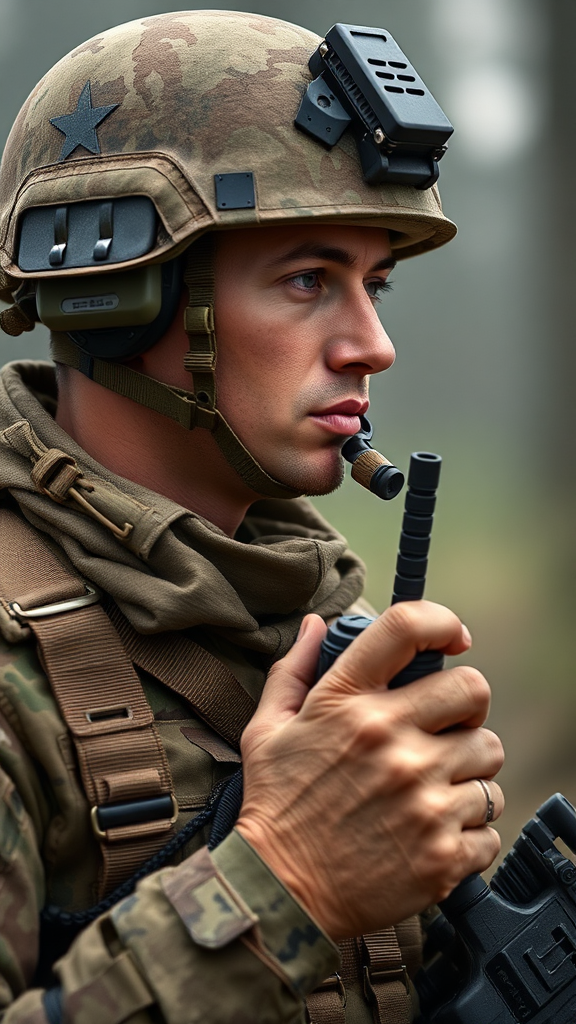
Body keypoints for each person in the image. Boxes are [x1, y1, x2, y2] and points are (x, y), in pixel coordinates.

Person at [0, 10, 504, 1023]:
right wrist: (287, 879)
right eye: (310, 280)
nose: (373, 344)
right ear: (120, 291)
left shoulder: (306, 613)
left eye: (378, 285)